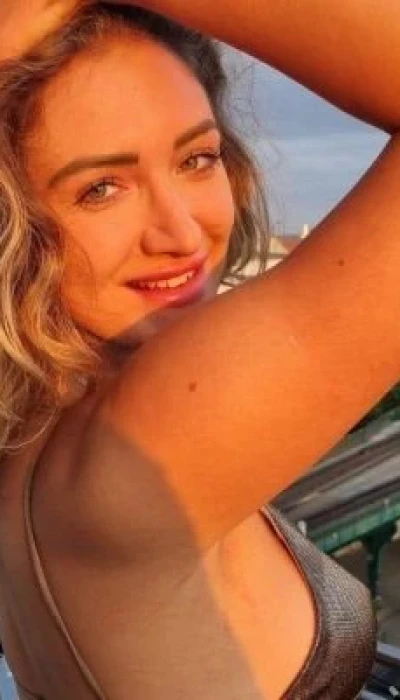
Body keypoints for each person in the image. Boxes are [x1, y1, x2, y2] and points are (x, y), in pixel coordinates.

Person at [0, 0, 399, 698]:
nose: (182, 232)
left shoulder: (42, 432)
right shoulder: (139, 448)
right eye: (101, 188)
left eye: (197, 158)